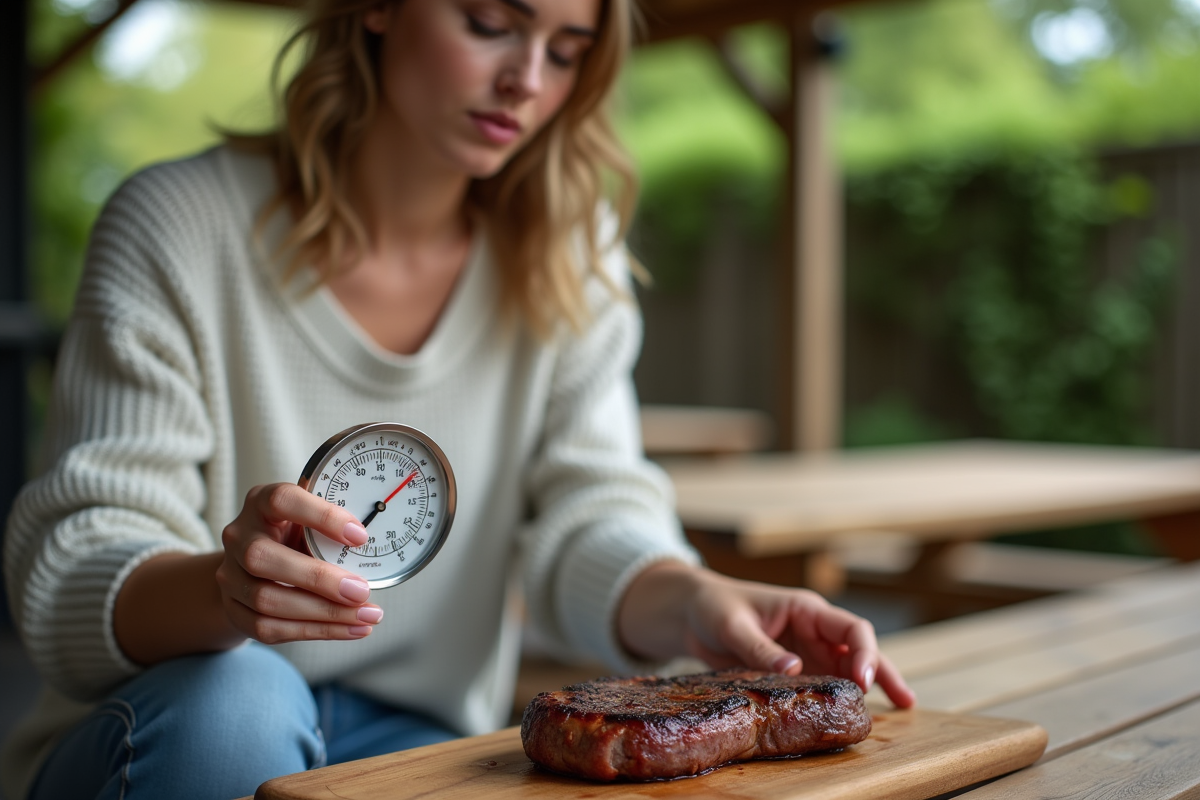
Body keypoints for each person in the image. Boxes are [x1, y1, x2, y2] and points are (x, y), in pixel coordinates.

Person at [1, 0, 915, 798]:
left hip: (420, 739)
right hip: (167, 730)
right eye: (490, 24)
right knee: (243, 700)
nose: (525, 80)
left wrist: (697, 600)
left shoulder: (571, 251)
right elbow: (77, 560)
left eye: (565, 50)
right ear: (382, 7)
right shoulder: (177, 224)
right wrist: (224, 591)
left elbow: (589, 516)